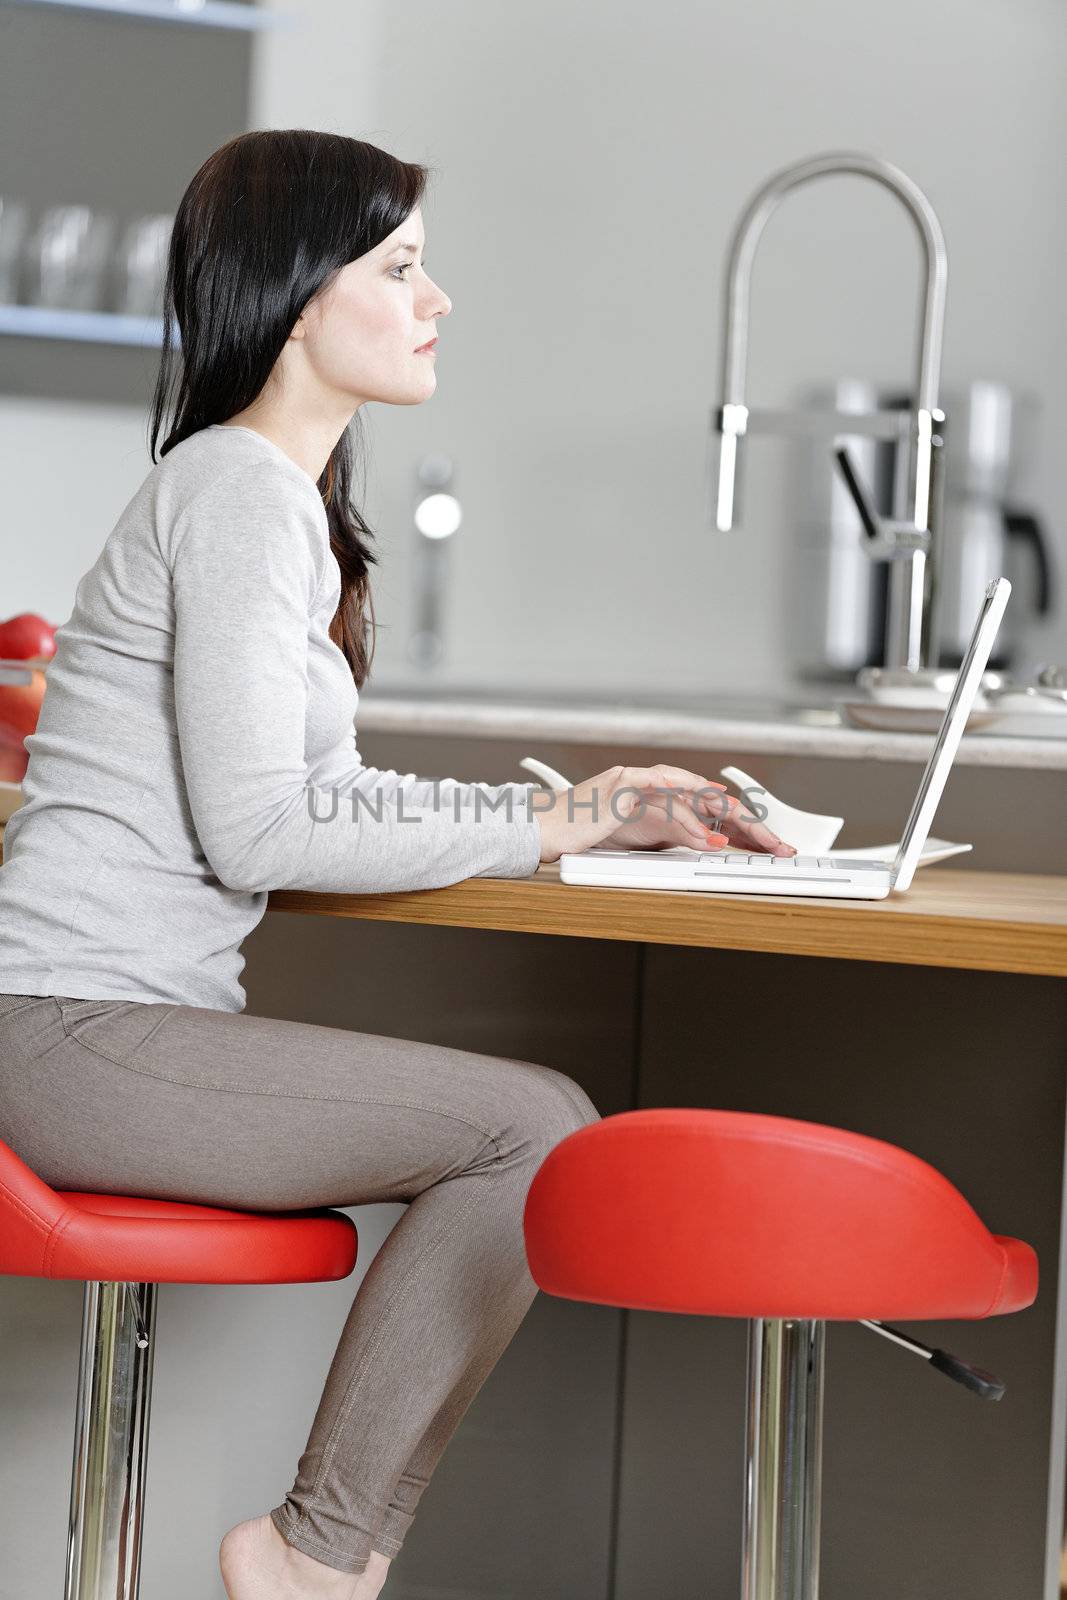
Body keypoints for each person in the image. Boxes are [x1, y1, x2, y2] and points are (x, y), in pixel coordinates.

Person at [0, 129, 796, 1600]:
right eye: (403, 268)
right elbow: (263, 829)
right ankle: (314, 1554)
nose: (439, 302)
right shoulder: (241, 495)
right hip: (70, 1032)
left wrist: (583, 808)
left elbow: (324, 793)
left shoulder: (265, 502)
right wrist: (553, 828)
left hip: (95, 1026)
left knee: (537, 1121)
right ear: (306, 297)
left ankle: (328, 1557)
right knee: (532, 1129)